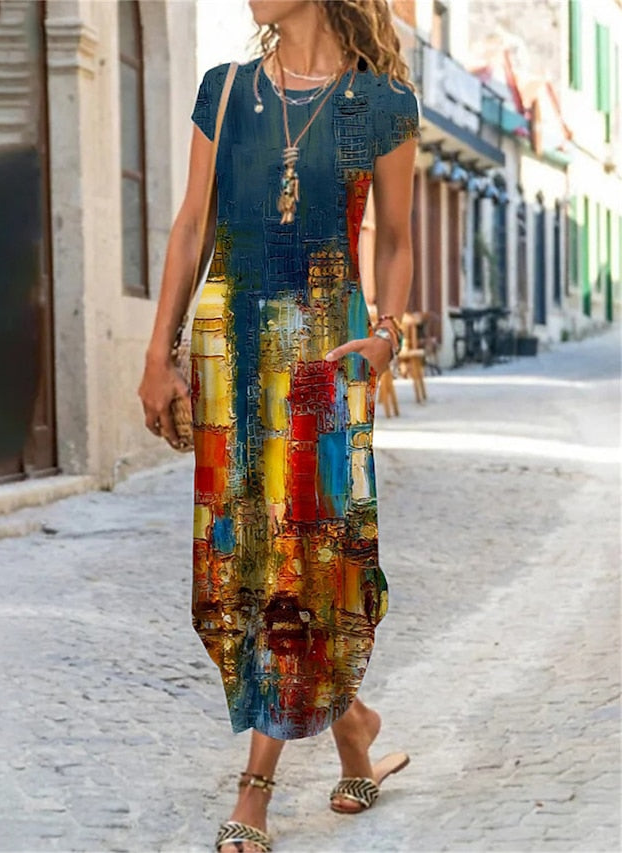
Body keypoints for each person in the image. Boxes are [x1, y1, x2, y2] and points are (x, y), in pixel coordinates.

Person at [138, 1, 419, 850]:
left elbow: (397, 239)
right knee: (243, 561)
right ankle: (353, 727)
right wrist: (159, 353)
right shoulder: (225, 92)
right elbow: (192, 226)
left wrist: (388, 331)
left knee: (305, 554)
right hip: (230, 350)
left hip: (325, 355)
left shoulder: (380, 105)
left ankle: (254, 788)